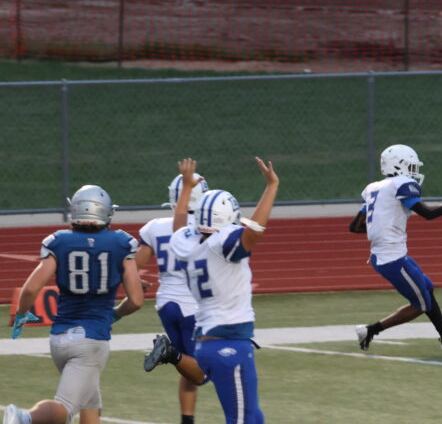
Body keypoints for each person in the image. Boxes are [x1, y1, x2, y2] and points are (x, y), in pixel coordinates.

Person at [143, 157, 279, 424]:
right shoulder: (222, 242)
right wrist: (271, 186)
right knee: (244, 419)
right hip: (228, 342)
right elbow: (255, 230)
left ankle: (174, 356)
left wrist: (186, 188)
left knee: (253, 416)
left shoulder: (188, 242)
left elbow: (179, 225)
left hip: (208, 342)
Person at [5, 185, 144, 424]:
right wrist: (115, 314)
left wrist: (21, 314)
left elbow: (30, 289)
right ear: (105, 212)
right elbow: (137, 300)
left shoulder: (60, 242)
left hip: (59, 339)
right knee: (65, 409)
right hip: (91, 340)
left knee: (91, 403)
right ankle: (24, 418)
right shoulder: (121, 242)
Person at [349, 144, 442, 352]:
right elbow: (428, 213)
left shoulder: (375, 188)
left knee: (427, 287)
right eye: (410, 166)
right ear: (398, 165)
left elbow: (355, 227)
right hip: (392, 259)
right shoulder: (401, 184)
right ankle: (370, 330)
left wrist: (383, 228)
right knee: (422, 305)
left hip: (388, 255)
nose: (413, 171)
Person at [135, 171, 210, 424]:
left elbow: (133, 265)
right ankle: (169, 353)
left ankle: (187, 420)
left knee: (188, 367)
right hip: (193, 306)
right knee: (202, 373)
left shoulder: (155, 227)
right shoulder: (207, 228)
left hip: (165, 303)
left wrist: (135, 283)